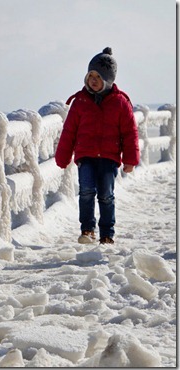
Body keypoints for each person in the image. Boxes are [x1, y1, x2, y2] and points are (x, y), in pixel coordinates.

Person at [55, 47, 140, 245]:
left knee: (106, 196)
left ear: (109, 79)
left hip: (109, 158)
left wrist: (130, 160)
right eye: (90, 75)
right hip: (86, 156)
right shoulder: (80, 102)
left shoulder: (120, 103)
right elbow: (69, 131)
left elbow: (130, 133)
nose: (93, 80)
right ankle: (87, 230)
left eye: (98, 76)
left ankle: (107, 233)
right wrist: (63, 156)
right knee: (86, 191)